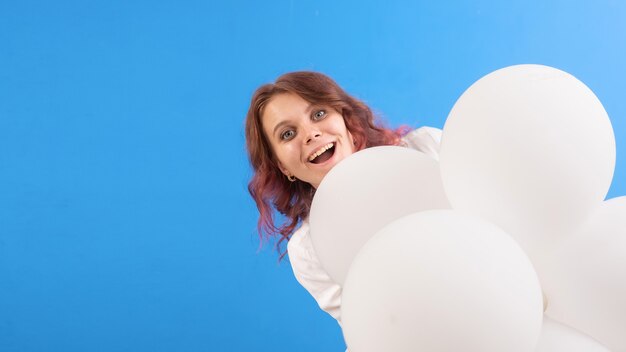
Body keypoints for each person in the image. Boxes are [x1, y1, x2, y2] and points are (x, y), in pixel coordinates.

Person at [244, 71, 442, 325]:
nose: (310, 134)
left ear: (346, 121)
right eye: (287, 134)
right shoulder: (310, 249)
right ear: (283, 167)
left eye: (318, 114)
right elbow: (375, 328)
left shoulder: (425, 148)